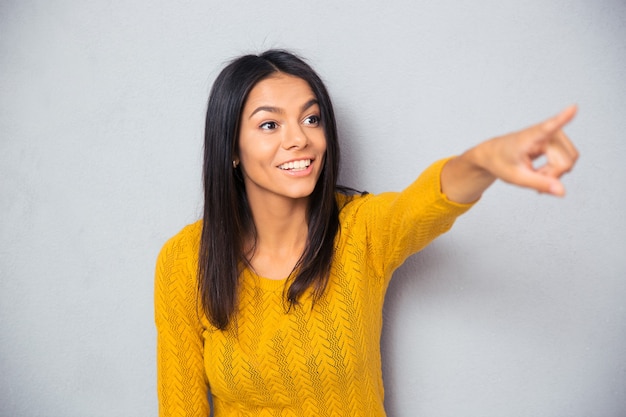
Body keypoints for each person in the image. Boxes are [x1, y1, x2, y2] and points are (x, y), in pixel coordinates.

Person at [154, 49, 578, 417]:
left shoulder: (360, 231)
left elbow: (425, 202)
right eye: (270, 125)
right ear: (230, 147)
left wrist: (485, 160)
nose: (299, 138)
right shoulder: (184, 260)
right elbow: (181, 407)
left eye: (311, 118)